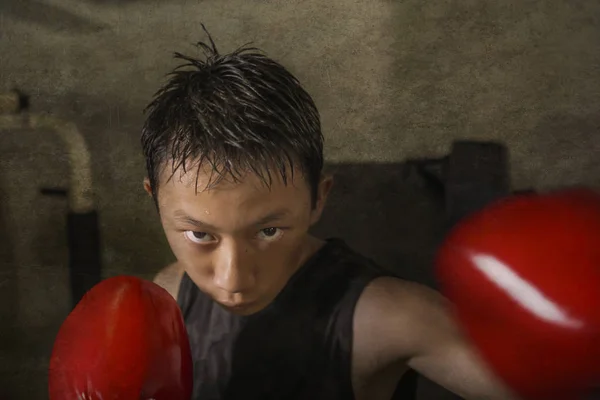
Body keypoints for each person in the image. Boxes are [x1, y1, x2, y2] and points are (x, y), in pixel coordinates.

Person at [141, 31, 518, 400]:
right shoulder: (168, 297)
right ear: (155, 201)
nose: (233, 278)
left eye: (268, 231)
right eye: (200, 236)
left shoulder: (387, 318)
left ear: (318, 199)